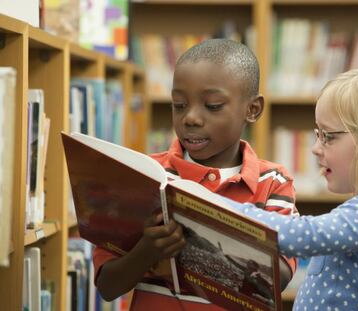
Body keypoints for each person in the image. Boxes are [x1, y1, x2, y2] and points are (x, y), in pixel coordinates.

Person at [93, 38, 298, 310]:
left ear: (252, 109)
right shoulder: (144, 176)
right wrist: (147, 252)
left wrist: (212, 240)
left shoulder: (273, 184)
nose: (190, 118)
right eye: (179, 105)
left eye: (212, 106)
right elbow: (107, 286)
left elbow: (278, 281)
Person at [226, 68, 358, 310]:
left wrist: (218, 206)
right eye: (317, 134)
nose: (315, 148)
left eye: (329, 136)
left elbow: (299, 235)